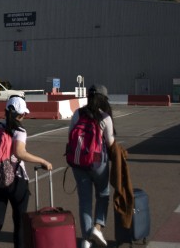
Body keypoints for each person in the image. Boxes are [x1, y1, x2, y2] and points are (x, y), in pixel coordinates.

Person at [0, 96, 53, 248]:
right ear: (21, 114)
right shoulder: (19, 130)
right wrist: (42, 161)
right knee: (19, 224)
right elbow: (19, 153)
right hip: (16, 181)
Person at [70, 88, 116, 247]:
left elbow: (71, 136)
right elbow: (110, 144)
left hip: (78, 162)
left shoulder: (78, 113)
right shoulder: (105, 117)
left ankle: (86, 240)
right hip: (98, 162)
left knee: (84, 201)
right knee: (103, 195)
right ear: (103, 99)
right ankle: (97, 227)